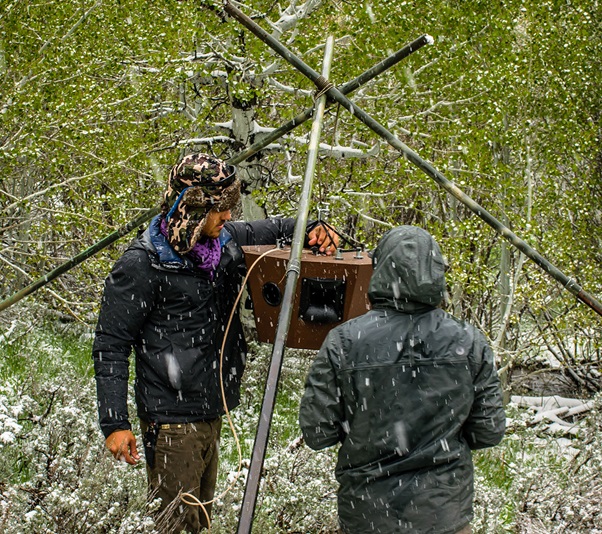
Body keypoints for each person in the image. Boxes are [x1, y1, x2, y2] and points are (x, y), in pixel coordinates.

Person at [93, 152, 338, 533]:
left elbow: (276, 229)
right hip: (171, 420)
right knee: (175, 526)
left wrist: (313, 228)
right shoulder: (143, 264)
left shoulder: (222, 243)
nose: (228, 218)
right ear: (191, 209)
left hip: (209, 409)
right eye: (220, 210)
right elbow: (110, 343)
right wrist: (114, 423)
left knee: (200, 522)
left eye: (230, 209)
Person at [299, 225, 506, 534]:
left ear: (379, 268)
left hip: (367, 513)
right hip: (443, 514)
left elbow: (317, 432)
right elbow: (488, 430)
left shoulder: (344, 341)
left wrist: (364, 435)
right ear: (436, 270)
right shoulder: (468, 341)